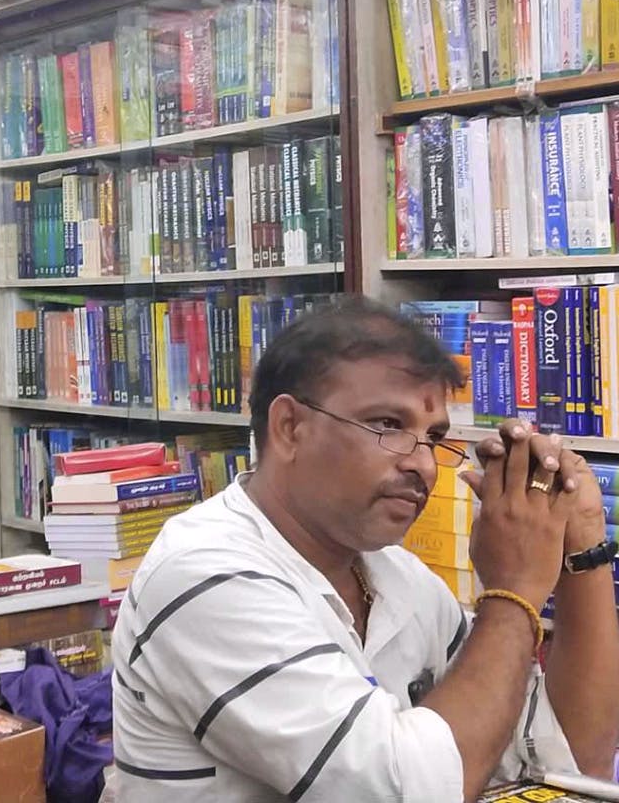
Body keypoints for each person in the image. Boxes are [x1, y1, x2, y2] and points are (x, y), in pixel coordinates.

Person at [111, 297, 619, 802]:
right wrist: (512, 592)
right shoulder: (206, 575)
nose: (422, 465)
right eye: (387, 425)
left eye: (434, 437)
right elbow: (407, 793)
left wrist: (583, 543)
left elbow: (570, 760)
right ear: (289, 427)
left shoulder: (395, 574)